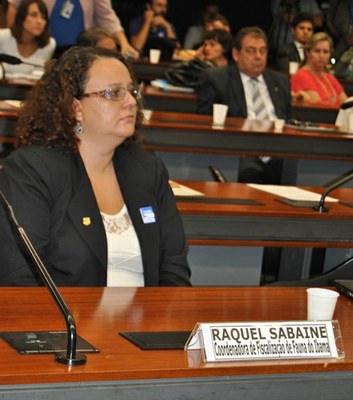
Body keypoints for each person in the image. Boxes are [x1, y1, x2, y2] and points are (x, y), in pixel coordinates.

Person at [0, 46, 191, 287]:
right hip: (68, 322)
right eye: (114, 93)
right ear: (75, 107)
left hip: (144, 321)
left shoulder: (148, 169)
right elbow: (19, 278)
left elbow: (174, 268)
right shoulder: (33, 171)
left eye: (132, 91)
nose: (131, 102)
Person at [195, 26, 290, 185]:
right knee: (250, 172)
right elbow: (205, 123)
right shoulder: (217, 79)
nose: (258, 57)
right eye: (251, 51)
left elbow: (287, 119)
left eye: (262, 51)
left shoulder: (280, 81)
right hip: (239, 152)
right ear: (236, 54)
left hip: (279, 151)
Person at [6, 0, 139, 59]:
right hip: (44, 46)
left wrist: (124, 43)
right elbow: (14, 5)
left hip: (79, 51)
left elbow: (107, 16)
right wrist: (13, 37)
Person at [0, 0, 55, 77]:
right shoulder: (2, 37)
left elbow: (40, 76)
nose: (39, 21)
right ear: (21, 16)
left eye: (43, 17)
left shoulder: (49, 44)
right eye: (33, 15)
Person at [291, 32, 347, 105]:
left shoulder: (329, 77)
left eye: (325, 52)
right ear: (307, 53)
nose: (321, 55)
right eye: (317, 51)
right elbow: (319, 107)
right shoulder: (301, 76)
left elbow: (346, 103)